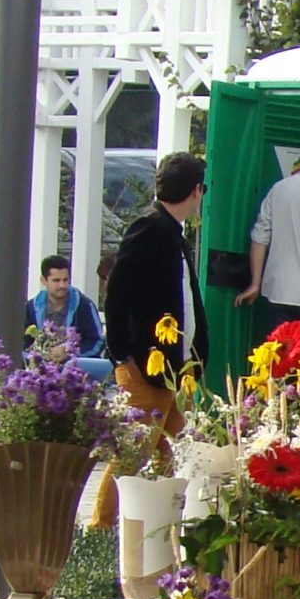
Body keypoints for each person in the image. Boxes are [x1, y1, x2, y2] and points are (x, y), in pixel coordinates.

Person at [99, 151, 209, 526]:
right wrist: (121, 353)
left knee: (174, 451)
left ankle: (160, 524)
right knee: (133, 451)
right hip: (146, 364)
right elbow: (117, 294)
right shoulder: (149, 229)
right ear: (195, 191)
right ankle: (101, 526)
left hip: (175, 366)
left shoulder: (171, 232)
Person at [238, 144, 300, 338]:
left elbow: (259, 236)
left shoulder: (280, 187)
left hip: (277, 289)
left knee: (278, 351)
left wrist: (255, 283)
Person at [25, 254, 111, 383]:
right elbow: (22, 343)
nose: (62, 285)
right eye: (56, 280)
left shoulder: (84, 305)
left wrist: (70, 352)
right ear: (43, 280)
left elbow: (97, 341)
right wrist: (39, 357)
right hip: (39, 374)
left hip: (78, 377)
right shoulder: (31, 308)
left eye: (66, 280)